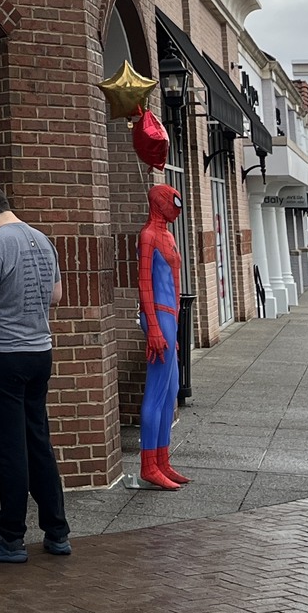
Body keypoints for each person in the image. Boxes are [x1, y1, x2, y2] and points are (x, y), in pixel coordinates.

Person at [0, 183, 70, 563]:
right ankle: (57, 530)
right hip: (40, 351)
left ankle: (10, 534)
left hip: (2, 355)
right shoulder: (42, 238)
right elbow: (56, 296)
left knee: (8, 448)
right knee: (38, 439)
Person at [136, 183, 189, 490]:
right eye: (173, 201)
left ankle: (162, 460)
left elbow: (175, 282)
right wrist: (154, 327)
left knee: (169, 392)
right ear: (160, 202)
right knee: (156, 392)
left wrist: (173, 327)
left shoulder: (166, 235)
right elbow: (144, 284)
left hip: (169, 316)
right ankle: (148, 465)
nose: (177, 207)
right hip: (158, 313)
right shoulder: (149, 236)